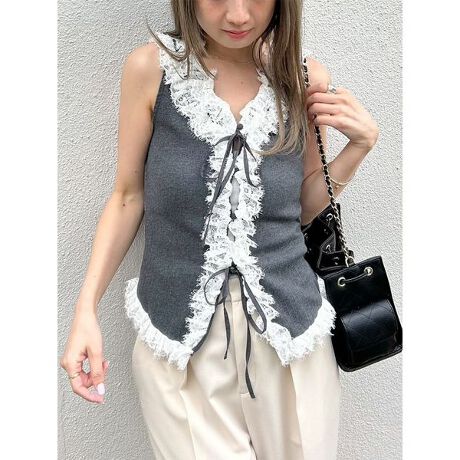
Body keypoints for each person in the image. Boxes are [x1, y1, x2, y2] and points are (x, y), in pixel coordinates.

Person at [60, 0, 379, 458]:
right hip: (177, 338)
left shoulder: (304, 77)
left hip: (290, 335)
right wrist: (86, 310)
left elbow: (302, 209)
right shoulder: (151, 70)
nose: (238, 16)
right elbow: (128, 197)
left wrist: (358, 149)